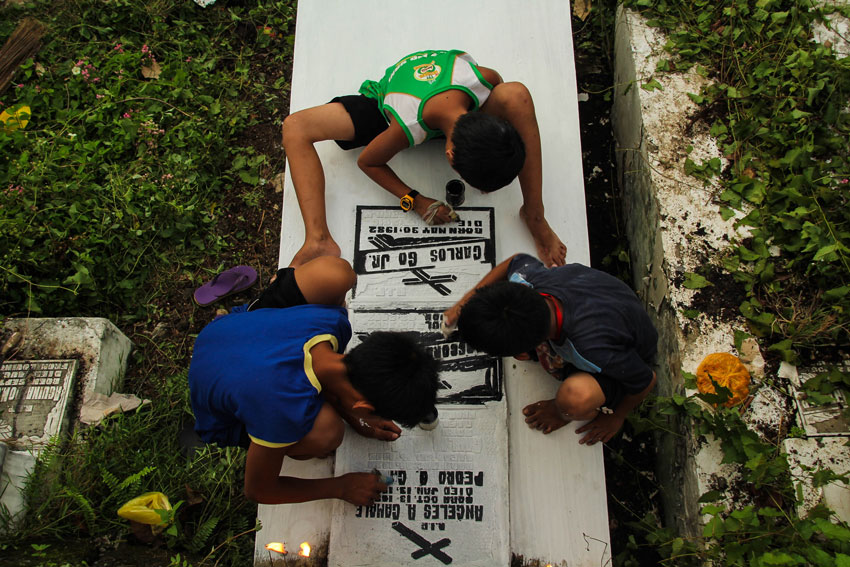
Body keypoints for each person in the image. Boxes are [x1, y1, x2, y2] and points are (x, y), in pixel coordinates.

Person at [281, 49, 567, 268]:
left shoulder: (485, 79)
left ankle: (534, 213)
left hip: (448, 95)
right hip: (400, 101)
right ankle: (317, 238)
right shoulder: (406, 125)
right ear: (449, 154)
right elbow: (368, 162)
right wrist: (413, 201)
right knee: (294, 127)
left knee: (516, 95)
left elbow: (501, 98)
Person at [188, 256, 439, 505]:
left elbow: (330, 382)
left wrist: (355, 415)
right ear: (363, 407)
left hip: (228, 333)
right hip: (216, 395)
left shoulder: (332, 322)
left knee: (335, 272)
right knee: (327, 433)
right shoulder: (281, 409)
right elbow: (259, 490)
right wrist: (341, 487)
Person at [443, 253, 657, 446]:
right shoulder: (529, 281)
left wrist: (616, 416)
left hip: (626, 351)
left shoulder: (593, 350)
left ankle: (565, 409)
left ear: (523, 351)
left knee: (574, 397)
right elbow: (513, 261)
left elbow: (646, 380)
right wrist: (463, 304)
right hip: (600, 303)